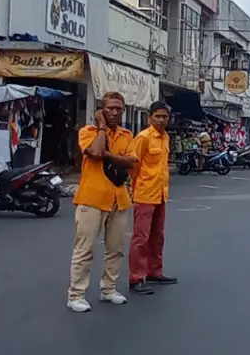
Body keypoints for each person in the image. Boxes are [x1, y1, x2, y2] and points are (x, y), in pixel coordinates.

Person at [66, 93, 138, 313]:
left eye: (119, 109)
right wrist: (100, 127)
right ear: (101, 110)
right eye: (110, 109)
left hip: (119, 198)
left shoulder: (127, 135)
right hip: (92, 198)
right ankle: (76, 294)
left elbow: (131, 162)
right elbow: (95, 152)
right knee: (84, 249)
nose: (115, 113)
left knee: (115, 249)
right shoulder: (88, 132)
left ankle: (109, 289)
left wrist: (107, 155)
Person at [128, 100, 176, 295]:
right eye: (158, 116)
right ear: (150, 117)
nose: (161, 120)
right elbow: (133, 166)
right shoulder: (143, 137)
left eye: (165, 117)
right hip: (145, 194)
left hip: (161, 194)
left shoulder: (165, 138)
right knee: (141, 238)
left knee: (158, 236)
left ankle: (154, 272)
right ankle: (136, 278)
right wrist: (135, 188)